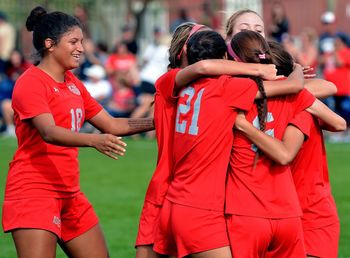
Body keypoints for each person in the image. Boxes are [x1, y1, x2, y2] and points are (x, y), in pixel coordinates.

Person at [1, 6, 154, 258]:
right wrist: (94, 140)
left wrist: (160, 120)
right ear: (50, 44)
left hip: (71, 193)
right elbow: (49, 132)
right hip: (33, 192)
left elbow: (114, 125)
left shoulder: (73, 83)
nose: (81, 48)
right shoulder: (31, 82)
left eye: (81, 41)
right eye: (73, 41)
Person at [135, 22, 282, 258]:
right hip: (186, 198)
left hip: (177, 195)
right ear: (184, 50)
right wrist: (262, 69)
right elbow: (204, 67)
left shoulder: (172, 84)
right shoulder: (204, 85)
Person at [224, 29, 341, 258]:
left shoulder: (295, 105)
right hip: (282, 211)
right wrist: (295, 86)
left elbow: (337, 122)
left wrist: (294, 91)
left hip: (308, 214)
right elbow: (337, 119)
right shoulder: (293, 101)